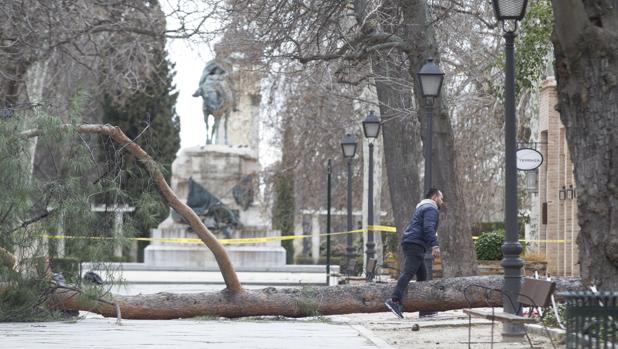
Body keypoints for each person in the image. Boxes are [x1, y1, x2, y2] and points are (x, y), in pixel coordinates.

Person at [384, 188, 445, 319]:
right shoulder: (431, 208)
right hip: (415, 243)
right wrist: (435, 245)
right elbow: (428, 227)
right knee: (408, 272)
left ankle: (424, 309)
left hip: (413, 242)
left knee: (422, 276)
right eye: (441, 198)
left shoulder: (422, 207)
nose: (442, 201)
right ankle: (394, 300)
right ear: (435, 197)